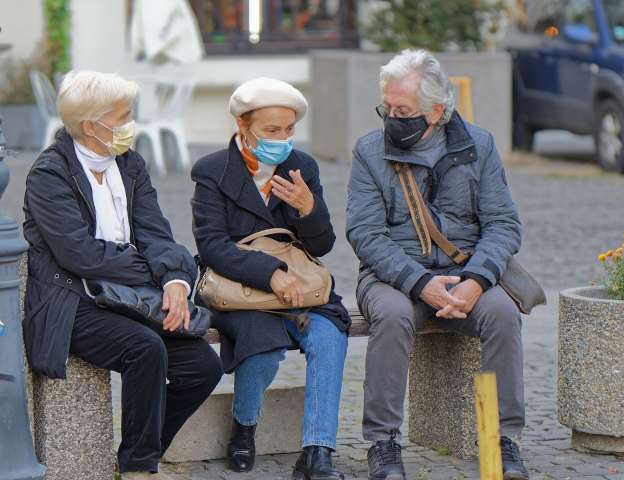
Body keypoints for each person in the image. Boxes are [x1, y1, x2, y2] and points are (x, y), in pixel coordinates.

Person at [23, 71, 222, 479]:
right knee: (145, 349)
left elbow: (156, 232)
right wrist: (153, 271)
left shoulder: (128, 163)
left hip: (129, 296)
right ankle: (138, 468)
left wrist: (175, 282)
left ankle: (136, 453)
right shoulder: (49, 173)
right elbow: (80, 255)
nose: (130, 125)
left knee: (203, 366)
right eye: (123, 116)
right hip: (70, 301)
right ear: (90, 125)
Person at [346, 50, 529, 480]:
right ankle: (383, 443)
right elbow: (365, 234)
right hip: (391, 277)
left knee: (503, 314)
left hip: (465, 273)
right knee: (391, 317)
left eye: (403, 111)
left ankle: (499, 440)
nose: (392, 118)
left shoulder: (479, 146)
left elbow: (503, 224)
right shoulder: (370, 152)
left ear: (437, 111)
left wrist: (476, 282)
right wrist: (420, 282)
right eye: (386, 108)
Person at [191, 77, 349, 480]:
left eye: (289, 130)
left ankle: (317, 452)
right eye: (272, 131)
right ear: (244, 127)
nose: (283, 138)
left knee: (329, 337)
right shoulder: (212, 171)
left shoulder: (302, 167)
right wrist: (271, 274)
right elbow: (212, 246)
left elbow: (323, 244)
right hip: (241, 291)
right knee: (261, 343)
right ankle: (244, 429)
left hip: (299, 290)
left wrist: (309, 209)